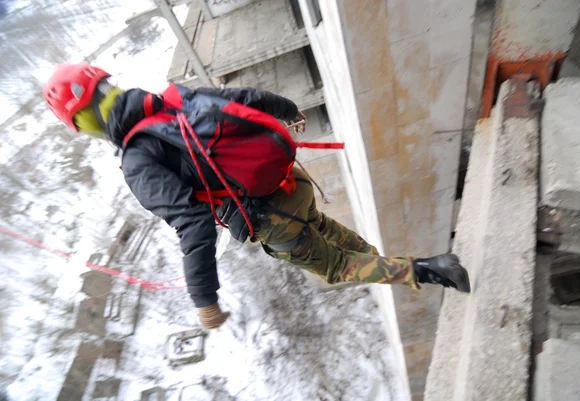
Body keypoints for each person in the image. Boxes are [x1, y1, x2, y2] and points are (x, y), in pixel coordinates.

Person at [43, 64, 470, 329]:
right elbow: (245, 99)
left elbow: (192, 224)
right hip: (292, 182)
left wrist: (204, 299)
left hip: (267, 215)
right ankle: (383, 262)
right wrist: (288, 110)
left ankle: (427, 269)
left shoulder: (137, 162)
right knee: (319, 225)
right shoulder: (175, 97)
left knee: (337, 267)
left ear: (85, 122)